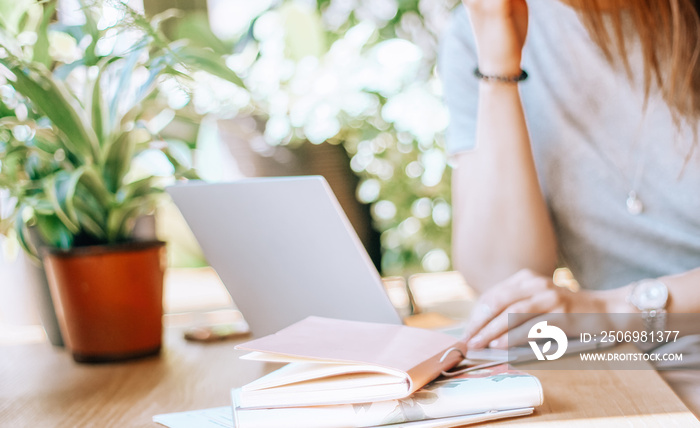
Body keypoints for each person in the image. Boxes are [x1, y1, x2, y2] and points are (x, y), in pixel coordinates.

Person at [440, 0, 700, 350]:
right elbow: (505, 288)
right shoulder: (477, 30)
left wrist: (607, 309)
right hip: (631, 355)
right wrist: (499, 71)